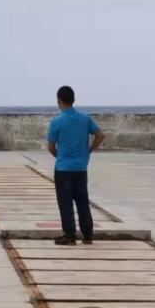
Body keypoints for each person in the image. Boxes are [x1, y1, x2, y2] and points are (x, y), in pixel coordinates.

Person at [47, 86, 105, 245]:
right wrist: (90, 150)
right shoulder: (85, 119)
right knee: (82, 201)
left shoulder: (56, 122)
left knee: (65, 202)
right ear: (73, 100)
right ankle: (87, 235)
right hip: (81, 168)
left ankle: (70, 235)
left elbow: (51, 147)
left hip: (63, 169)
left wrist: (58, 157)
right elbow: (100, 135)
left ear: (59, 101)